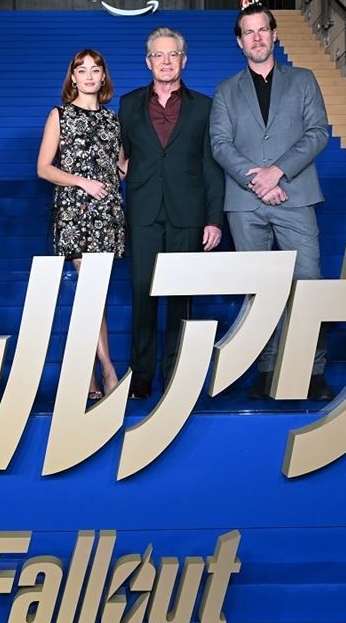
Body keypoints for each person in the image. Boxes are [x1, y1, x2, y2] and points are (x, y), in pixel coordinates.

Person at [209, 3, 334, 401]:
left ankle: (313, 372)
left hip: (295, 195)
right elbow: (220, 144)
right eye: (249, 32)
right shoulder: (225, 91)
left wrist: (277, 172)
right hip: (246, 204)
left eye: (263, 29)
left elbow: (318, 133)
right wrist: (257, 180)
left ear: (275, 34)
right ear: (239, 41)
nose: (257, 37)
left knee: (308, 283)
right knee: (258, 290)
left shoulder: (303, 79)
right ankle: (267, 369)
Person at [118, 27, 223, 401]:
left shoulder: (204, 107)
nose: (166, 61)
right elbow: (121, 157)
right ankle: (141, 375)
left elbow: (212, 166)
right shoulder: (128, 104)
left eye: (173, 54)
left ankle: (178, 374)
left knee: (182, 298)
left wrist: (214, 219)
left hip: (187, 213)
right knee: (142, 295)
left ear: (184, 60)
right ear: (148, 62)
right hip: (143, 212)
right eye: (158, 55)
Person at [36, 49, 126, 400]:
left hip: (108, 215)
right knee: (92, 292)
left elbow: (121, 168)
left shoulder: (113, 120)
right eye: (82, 70)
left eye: (95, 69)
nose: (89, 76)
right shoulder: (60, 115)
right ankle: (108, 369)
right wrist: (82, 182)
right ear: (72, 77)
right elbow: (44, 168)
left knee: (95, 296)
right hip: (76, 213)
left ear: (103, 77)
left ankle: (86, 371)